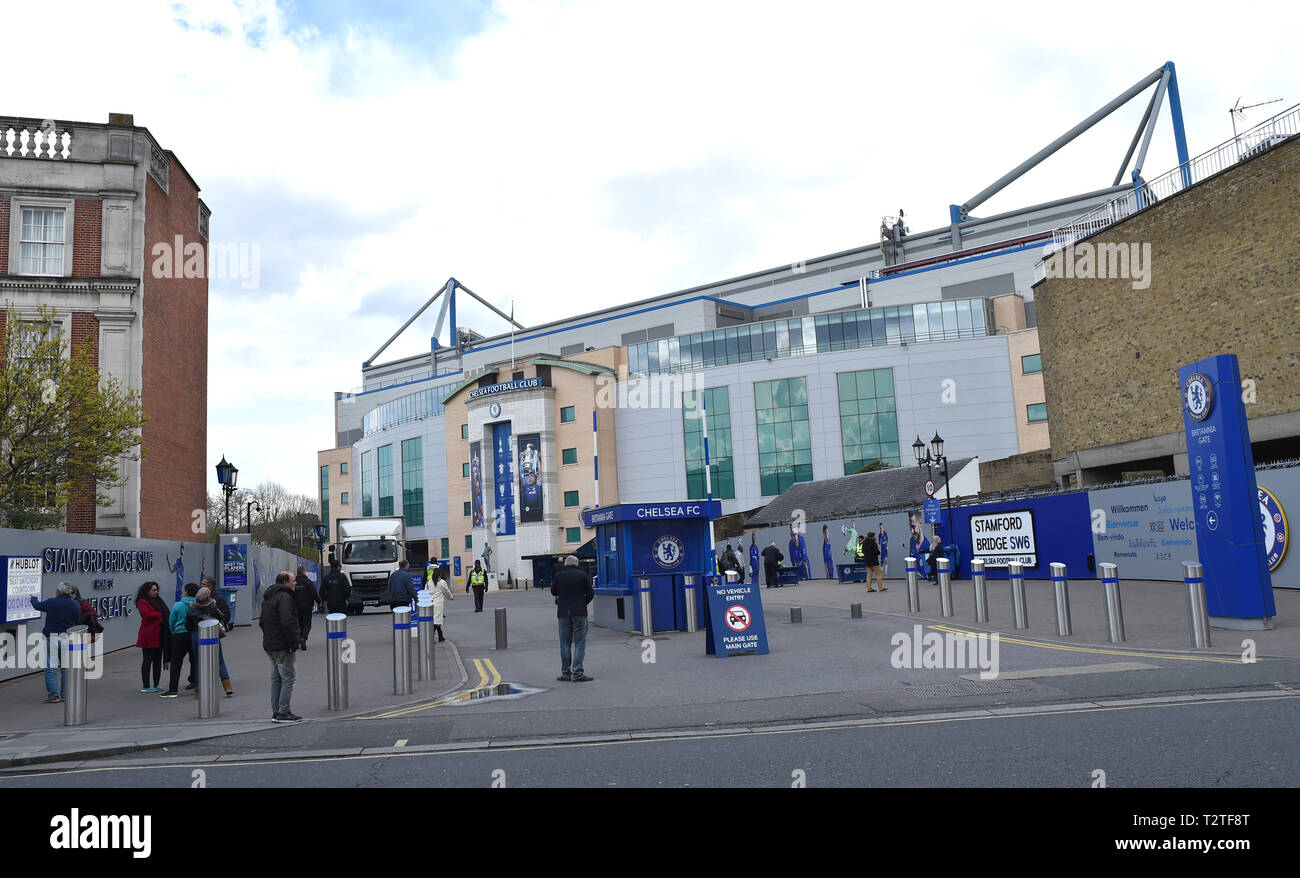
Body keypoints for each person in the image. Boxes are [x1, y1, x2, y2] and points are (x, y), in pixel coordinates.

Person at [260, 571, 301, 722]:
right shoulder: (285, 598)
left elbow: (262, 622)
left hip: (270, 644)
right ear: (285, 582)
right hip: (282, 644)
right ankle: (283, 712)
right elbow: (287, 622)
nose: (295, 583)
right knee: (289, 677)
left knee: (276, 678)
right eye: (292, 580)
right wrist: (292, 643)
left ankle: (276, 711)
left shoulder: (268, 597)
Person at [29, 582, 80, 703]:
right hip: (67, 638)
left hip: (52, 637)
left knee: (51, 667)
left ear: (58, 592)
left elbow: (37, 606)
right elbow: (77, 619)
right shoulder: (75, 604)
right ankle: (65, 694)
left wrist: (33, 598)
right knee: (66, 668)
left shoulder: (52, 602)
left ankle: (54, 695)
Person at [551, 555, 594, 682]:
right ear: (577, 564)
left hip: (563, 613)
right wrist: (583, 602)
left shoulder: (559, 576)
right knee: (580, 643)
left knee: (564, 644)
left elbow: (553, 592)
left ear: (565, 564)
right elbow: (591, 593)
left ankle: (565, 673)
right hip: (580, 612)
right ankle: (578, 673)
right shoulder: (583, 575)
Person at [187, 587, 233, 698]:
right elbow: (222, 616)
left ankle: (198, 690)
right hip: (212, 634)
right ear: (208, 596)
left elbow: (187, 625)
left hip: (197, 635)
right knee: (219, 660)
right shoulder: (212, 606)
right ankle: (227, 687)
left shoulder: (191, 608)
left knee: (198, 662)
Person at [160, 582, 199, 697]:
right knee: (195, 659)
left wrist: (174, 632)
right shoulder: (197, 604)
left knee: (176, 662)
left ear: (186, 592)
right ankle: (195, 683)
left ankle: (173, 689)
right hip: (193, 633)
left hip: (179, 634)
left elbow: (171, 621)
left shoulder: (178, 605)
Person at [135, 581, 170, 693]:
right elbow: (146, 615)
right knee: (147, 660)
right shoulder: (142, 601)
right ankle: (146, 685)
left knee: (157, 660)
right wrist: (160, 615)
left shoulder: (158, 600)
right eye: (153, 590)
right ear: (147, 591)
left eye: (156, 590)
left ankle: (156, 683)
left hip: (160, 633)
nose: (156, 592)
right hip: (149, 635)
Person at [293, 565, 321, 650]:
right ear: (304, 572)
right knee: (307, 624)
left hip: (296, 607)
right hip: (307, 606)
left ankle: (298, 639)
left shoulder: (294, 583)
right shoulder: (308, 582)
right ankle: (303, 638)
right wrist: (319, 602)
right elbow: (313, 593)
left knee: (299, 624)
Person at [428, 568, 454, 641]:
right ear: (440, 574)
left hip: (431, 602)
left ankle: (440, 636)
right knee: (436, 622)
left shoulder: (429, 582)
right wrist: (451, 597)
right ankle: (431, 639)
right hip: (438, 603)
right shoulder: (442, 582)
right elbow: (446, 591)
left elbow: (426, 591)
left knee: (436, 620)